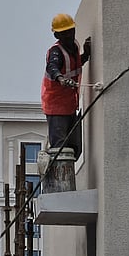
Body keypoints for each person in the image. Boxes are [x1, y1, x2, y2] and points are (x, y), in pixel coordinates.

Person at [41, 13, 91, 159]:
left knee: (74, 148)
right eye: (65, 33)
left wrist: (85, 55)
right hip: (56, 106)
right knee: (60, 148)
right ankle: (58, 178)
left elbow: (73, 66)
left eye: (71, 31)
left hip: (69, 105)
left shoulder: (74, 47)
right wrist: (61, 79)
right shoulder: (55, 52)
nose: (70, 35)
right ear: (57, 35)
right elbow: (53, 67)